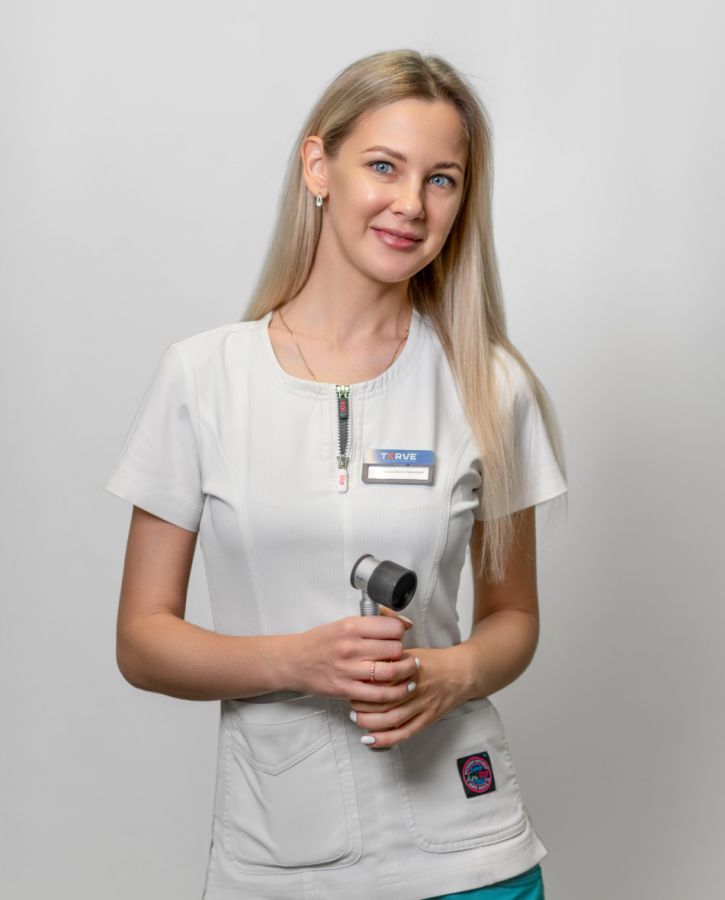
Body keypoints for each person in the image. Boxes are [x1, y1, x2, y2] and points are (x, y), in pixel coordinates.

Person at [104, 48, 568, 900]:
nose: (411, 203)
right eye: (383, 166)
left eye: (441, 179)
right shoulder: (203, 377)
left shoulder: (489, 383)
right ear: (318, 166)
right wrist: (298, 661)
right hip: (280, 857)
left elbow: (513, 617)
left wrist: (449, 673)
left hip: (469, 854)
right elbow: (142, 640)